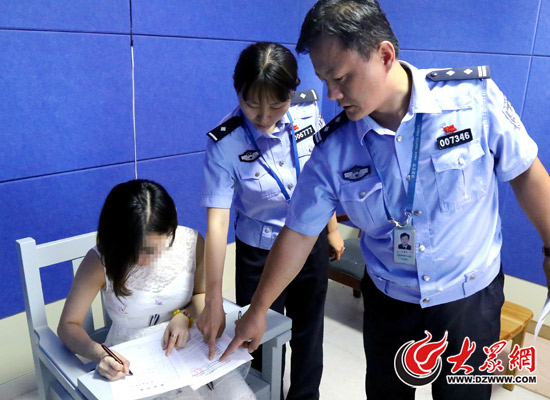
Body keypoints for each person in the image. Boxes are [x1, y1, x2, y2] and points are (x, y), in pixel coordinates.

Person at [221, 1, 550, 399]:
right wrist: (258, 309)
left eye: (341, 78)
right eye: (324, 80)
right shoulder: (334, 148)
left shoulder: (472, 101)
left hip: (468, 295)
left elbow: (526, 173)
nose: (332, 94)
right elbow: (299, 232)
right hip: (389, 299)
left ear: (384, 55)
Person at [197, 42, 345, 400]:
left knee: (309, 334)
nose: (264, 116)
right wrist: (213, 298)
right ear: (237, 90)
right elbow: (217, 223)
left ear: (292, 92)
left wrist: (332, 229)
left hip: (309, 244)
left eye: (277, 104)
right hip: (259, 254)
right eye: (252, 104)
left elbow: (321, 179)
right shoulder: (225, 142)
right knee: (257, 340)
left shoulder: (307, 114)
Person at [57, 179, 256, 400]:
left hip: (188, 343)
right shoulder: (100, 261)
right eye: (136, 250)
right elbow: (68, 326)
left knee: (239, 396)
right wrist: (101, 354)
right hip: (132, 358)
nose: (144, 260)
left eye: (153, 249)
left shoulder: (190, 242)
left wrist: (184, 316)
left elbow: (201, 295)